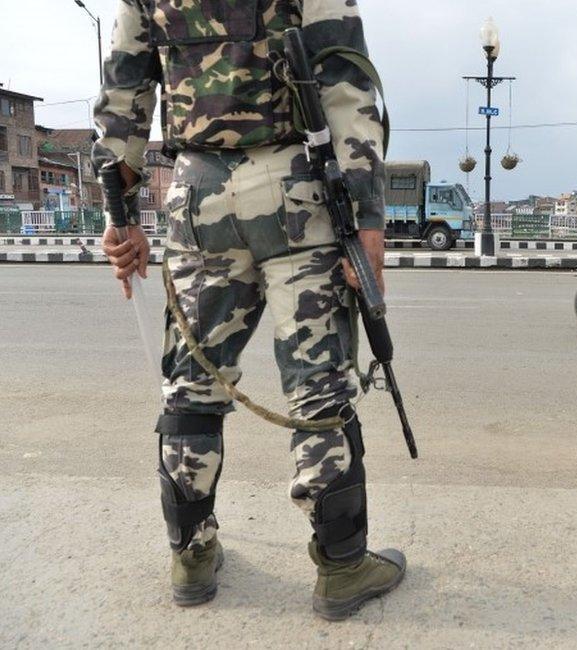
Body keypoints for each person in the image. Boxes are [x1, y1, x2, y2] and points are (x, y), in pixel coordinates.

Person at [93, 0, 404, 620]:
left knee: (191, 384)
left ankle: (191, 555)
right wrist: (367, 214)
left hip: (196, 190)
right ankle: (342, 567)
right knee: (318, 384)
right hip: (297, 186)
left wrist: (119, 215)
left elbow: (125, 90)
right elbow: (344, 77)